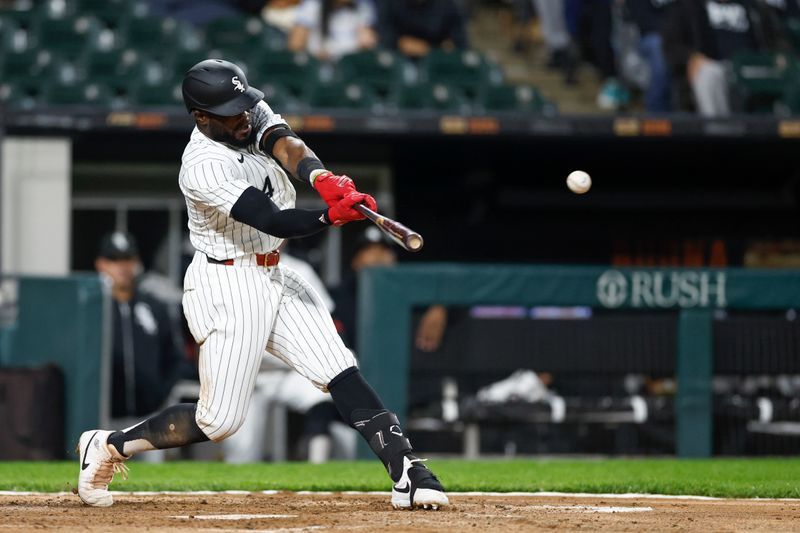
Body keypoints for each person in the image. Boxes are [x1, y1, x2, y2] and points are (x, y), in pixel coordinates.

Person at [77, 58, 448, 511]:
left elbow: (284, 143)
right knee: (218, 421)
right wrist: (329, 215)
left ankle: (405, 467)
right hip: (227, 283)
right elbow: (270, 218)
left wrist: (321, 178)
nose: (244, 116)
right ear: (201, 117)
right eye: (232, 112)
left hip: (274, 272)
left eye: (244, 105)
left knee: (339, 368)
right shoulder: (201, 165)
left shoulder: (244, 115)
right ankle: (108, 445)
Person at [94, 231, 193, 422]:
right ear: (101, 264)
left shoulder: (154, 307)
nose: (122, 266)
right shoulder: (93, 309)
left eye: (127, 259)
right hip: (103, 418)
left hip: (150, 417)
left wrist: (161, 393)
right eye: (114, 260)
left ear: (136, 262)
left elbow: (176, 358)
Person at [662, 0, 788, 116]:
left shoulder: (753, 6)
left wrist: (781, 54)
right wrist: (691, 57)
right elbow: (671, 45)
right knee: (707, 73)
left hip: (751, 66)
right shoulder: (689, 5)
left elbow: (776, 37)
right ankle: (717, 130)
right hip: (714, 66)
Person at [624, 0, 673, 112]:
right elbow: (643, 21)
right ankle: (656, 114)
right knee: (658, 46)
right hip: (645, 39)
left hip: (676, 37)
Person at [288, 0, 378, 61]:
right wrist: (313, 58)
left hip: (351, 67)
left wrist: (366, 43)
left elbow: (368, 40)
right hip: (319, 65)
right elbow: (295, 45)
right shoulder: (312, 4)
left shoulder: (363, 5)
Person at [379, 0, 469, 58]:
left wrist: (428, 50)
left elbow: (460, 43)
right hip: (401, 60)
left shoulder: (447, 5)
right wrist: (400, 43)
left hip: (437, 63)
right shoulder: (391, 3)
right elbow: (386, 37)